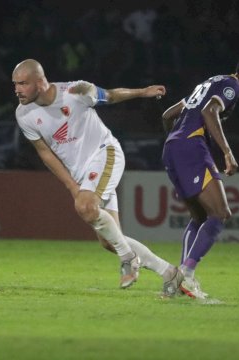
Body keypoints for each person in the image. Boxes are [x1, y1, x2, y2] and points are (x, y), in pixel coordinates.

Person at [12, 59, 182, 297]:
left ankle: (128, 258)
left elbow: (111, 96)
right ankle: (170, 274)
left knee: (85, 206)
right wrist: (72, 185)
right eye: (15, 84)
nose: (17, 89)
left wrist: (143, 92)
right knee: (108, 241)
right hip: (82, 175)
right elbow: (45, 153)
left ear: (40, 82)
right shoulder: (24, 114)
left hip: (105, 153)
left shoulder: (76, 91)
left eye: (22, 83)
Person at [161, 55, 239, 299]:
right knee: (221, 213)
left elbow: (167, 115)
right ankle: (187, 275)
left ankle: (181, 280)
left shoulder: (207, 83)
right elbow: (210, 111)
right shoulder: (231, 85)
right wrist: (227, 152)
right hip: (191, 146)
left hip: (172, 148)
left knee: (201, 216)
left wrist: (175, 143)